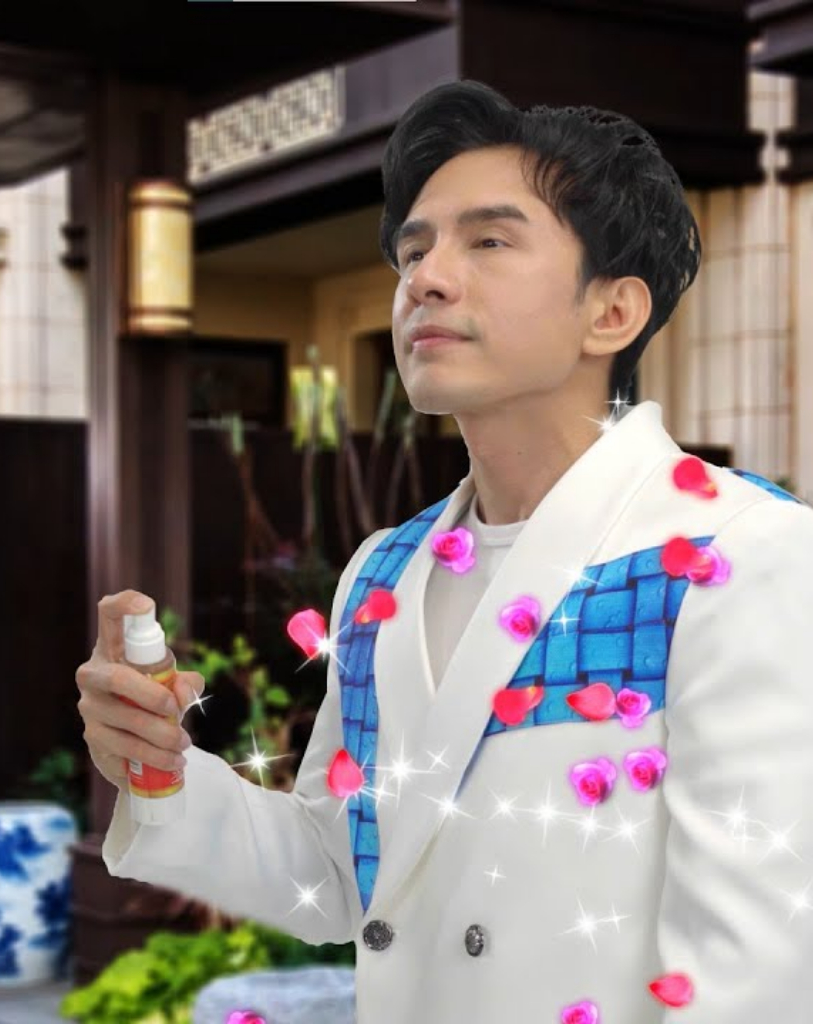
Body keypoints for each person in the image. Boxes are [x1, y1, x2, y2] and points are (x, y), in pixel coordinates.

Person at [76, 80, 813, 1022]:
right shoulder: (384, 570)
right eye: (414, 249)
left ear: (613, 313)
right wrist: (162, 771)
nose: (426, 277)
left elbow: (753, 980)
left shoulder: (734, 555)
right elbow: (341, 873)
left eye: (489, 241)